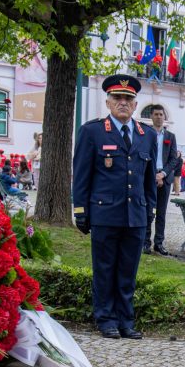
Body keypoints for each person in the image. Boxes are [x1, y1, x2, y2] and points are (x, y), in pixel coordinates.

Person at [71, 73, 156, 340]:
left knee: (128, 271)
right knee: (105, 269)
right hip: (105, 213)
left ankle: (125, 320)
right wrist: (80, 211)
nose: (123, 103)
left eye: (128, 99)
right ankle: (106, 319)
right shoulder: (92, 132)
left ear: (135, 104)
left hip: (135, 215)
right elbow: (81, 175)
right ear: (107, 102)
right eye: (117, 98)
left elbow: (149, 180)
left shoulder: (147, 135)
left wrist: (150, 210)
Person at [143, 104, 179, 256]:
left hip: (164, 177)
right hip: (149, 176)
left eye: (161, 114)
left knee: (161, 212)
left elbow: (174, 159)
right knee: (147, 211)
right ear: (151, 116)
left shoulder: (170, 137)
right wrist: (153, 174)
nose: (159, 117)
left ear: (164, 117)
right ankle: (145, 242)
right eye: (156, 114)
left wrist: (163, 174)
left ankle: (159, 243)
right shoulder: (145, 134)